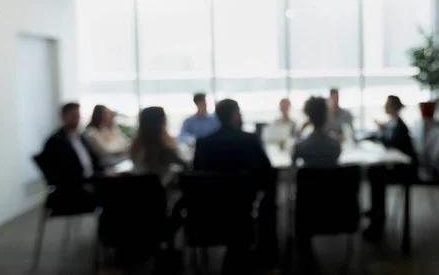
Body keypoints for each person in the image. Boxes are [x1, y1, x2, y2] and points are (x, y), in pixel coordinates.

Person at [191, 99, 275, 274]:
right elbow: (267, 173)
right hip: (243, 208)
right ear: (235, 115)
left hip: (211, 210)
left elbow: (197, 177)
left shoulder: (203, 143)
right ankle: (267, 255)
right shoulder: (249, 140)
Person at [363, 95, 419, 241]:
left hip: (406, 170)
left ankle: (378, 221)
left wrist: (380, 133)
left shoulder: (399, 125)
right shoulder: (393, 123)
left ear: (393, 107)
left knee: (376, 174)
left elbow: (390, 141)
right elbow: (386, 137)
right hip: (399, 166)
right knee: (373, 172)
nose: (384, 107)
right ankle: (376, 213)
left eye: (387, 104)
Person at [38, 103, 103, 211]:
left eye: (78, 116)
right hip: (72, 187)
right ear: (64, 117)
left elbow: (93, 159)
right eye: (73, 116)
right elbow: (61, 173)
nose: (76, 119)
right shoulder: (55, 141)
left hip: (90, 179)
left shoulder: (80, 137)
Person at [130, 107, 187, 186]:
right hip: (163, 193)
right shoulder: (164, 149)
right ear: (162, 122)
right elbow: (185, 165)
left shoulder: (135, 147)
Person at [292, 97, 341, 167]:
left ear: (308, 116)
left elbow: (292, 167)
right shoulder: (335, 146)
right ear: (326, 116)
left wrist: (299, 132)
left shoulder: (301, 147)